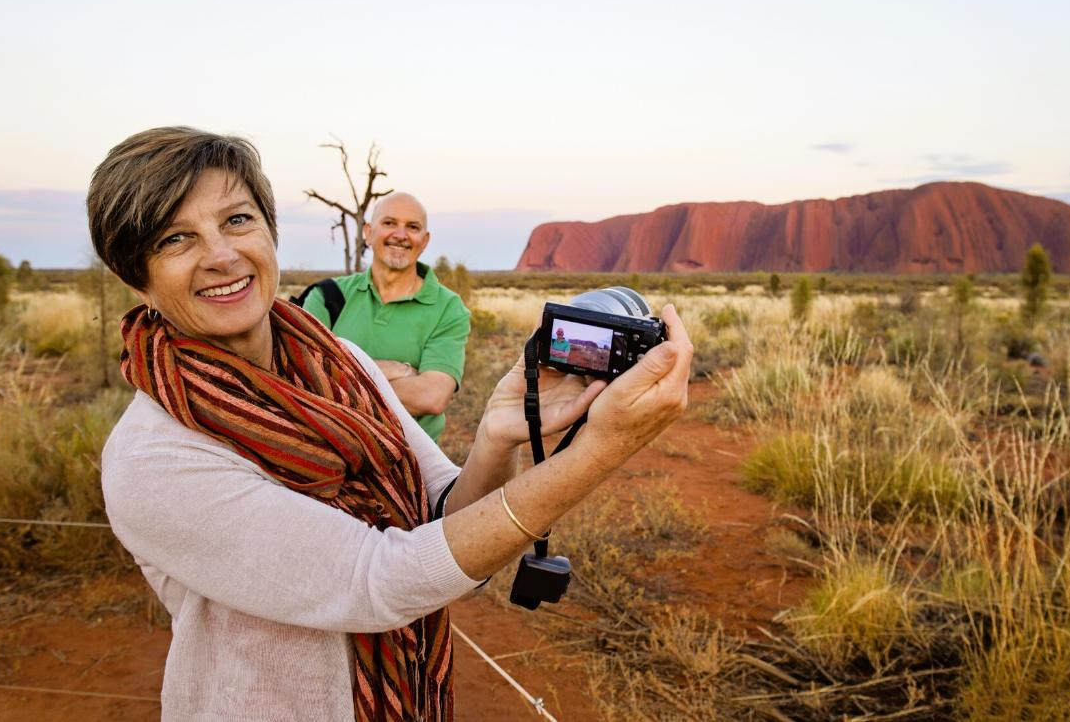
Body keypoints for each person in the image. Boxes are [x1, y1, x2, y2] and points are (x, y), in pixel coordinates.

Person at [87, 126, 692, 721]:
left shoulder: (340, 362)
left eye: (237, 220)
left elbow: (442, 520)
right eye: (175, 239)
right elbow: (382, 580)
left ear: (270, 231)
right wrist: (597, 454)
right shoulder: (154, 457)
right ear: (136, 278)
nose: (221, 255)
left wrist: (498, 433)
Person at [301, 192, 468, 443]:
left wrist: (338, 376)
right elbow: (303, 378)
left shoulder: (448, 307)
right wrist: (397, 370)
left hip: (411, 464)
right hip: (327, 454)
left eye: (412, 227)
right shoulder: (326, 297)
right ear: (368, 233)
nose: (400, 235)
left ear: (425, 241)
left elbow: (432, 397)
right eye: (389, 223)